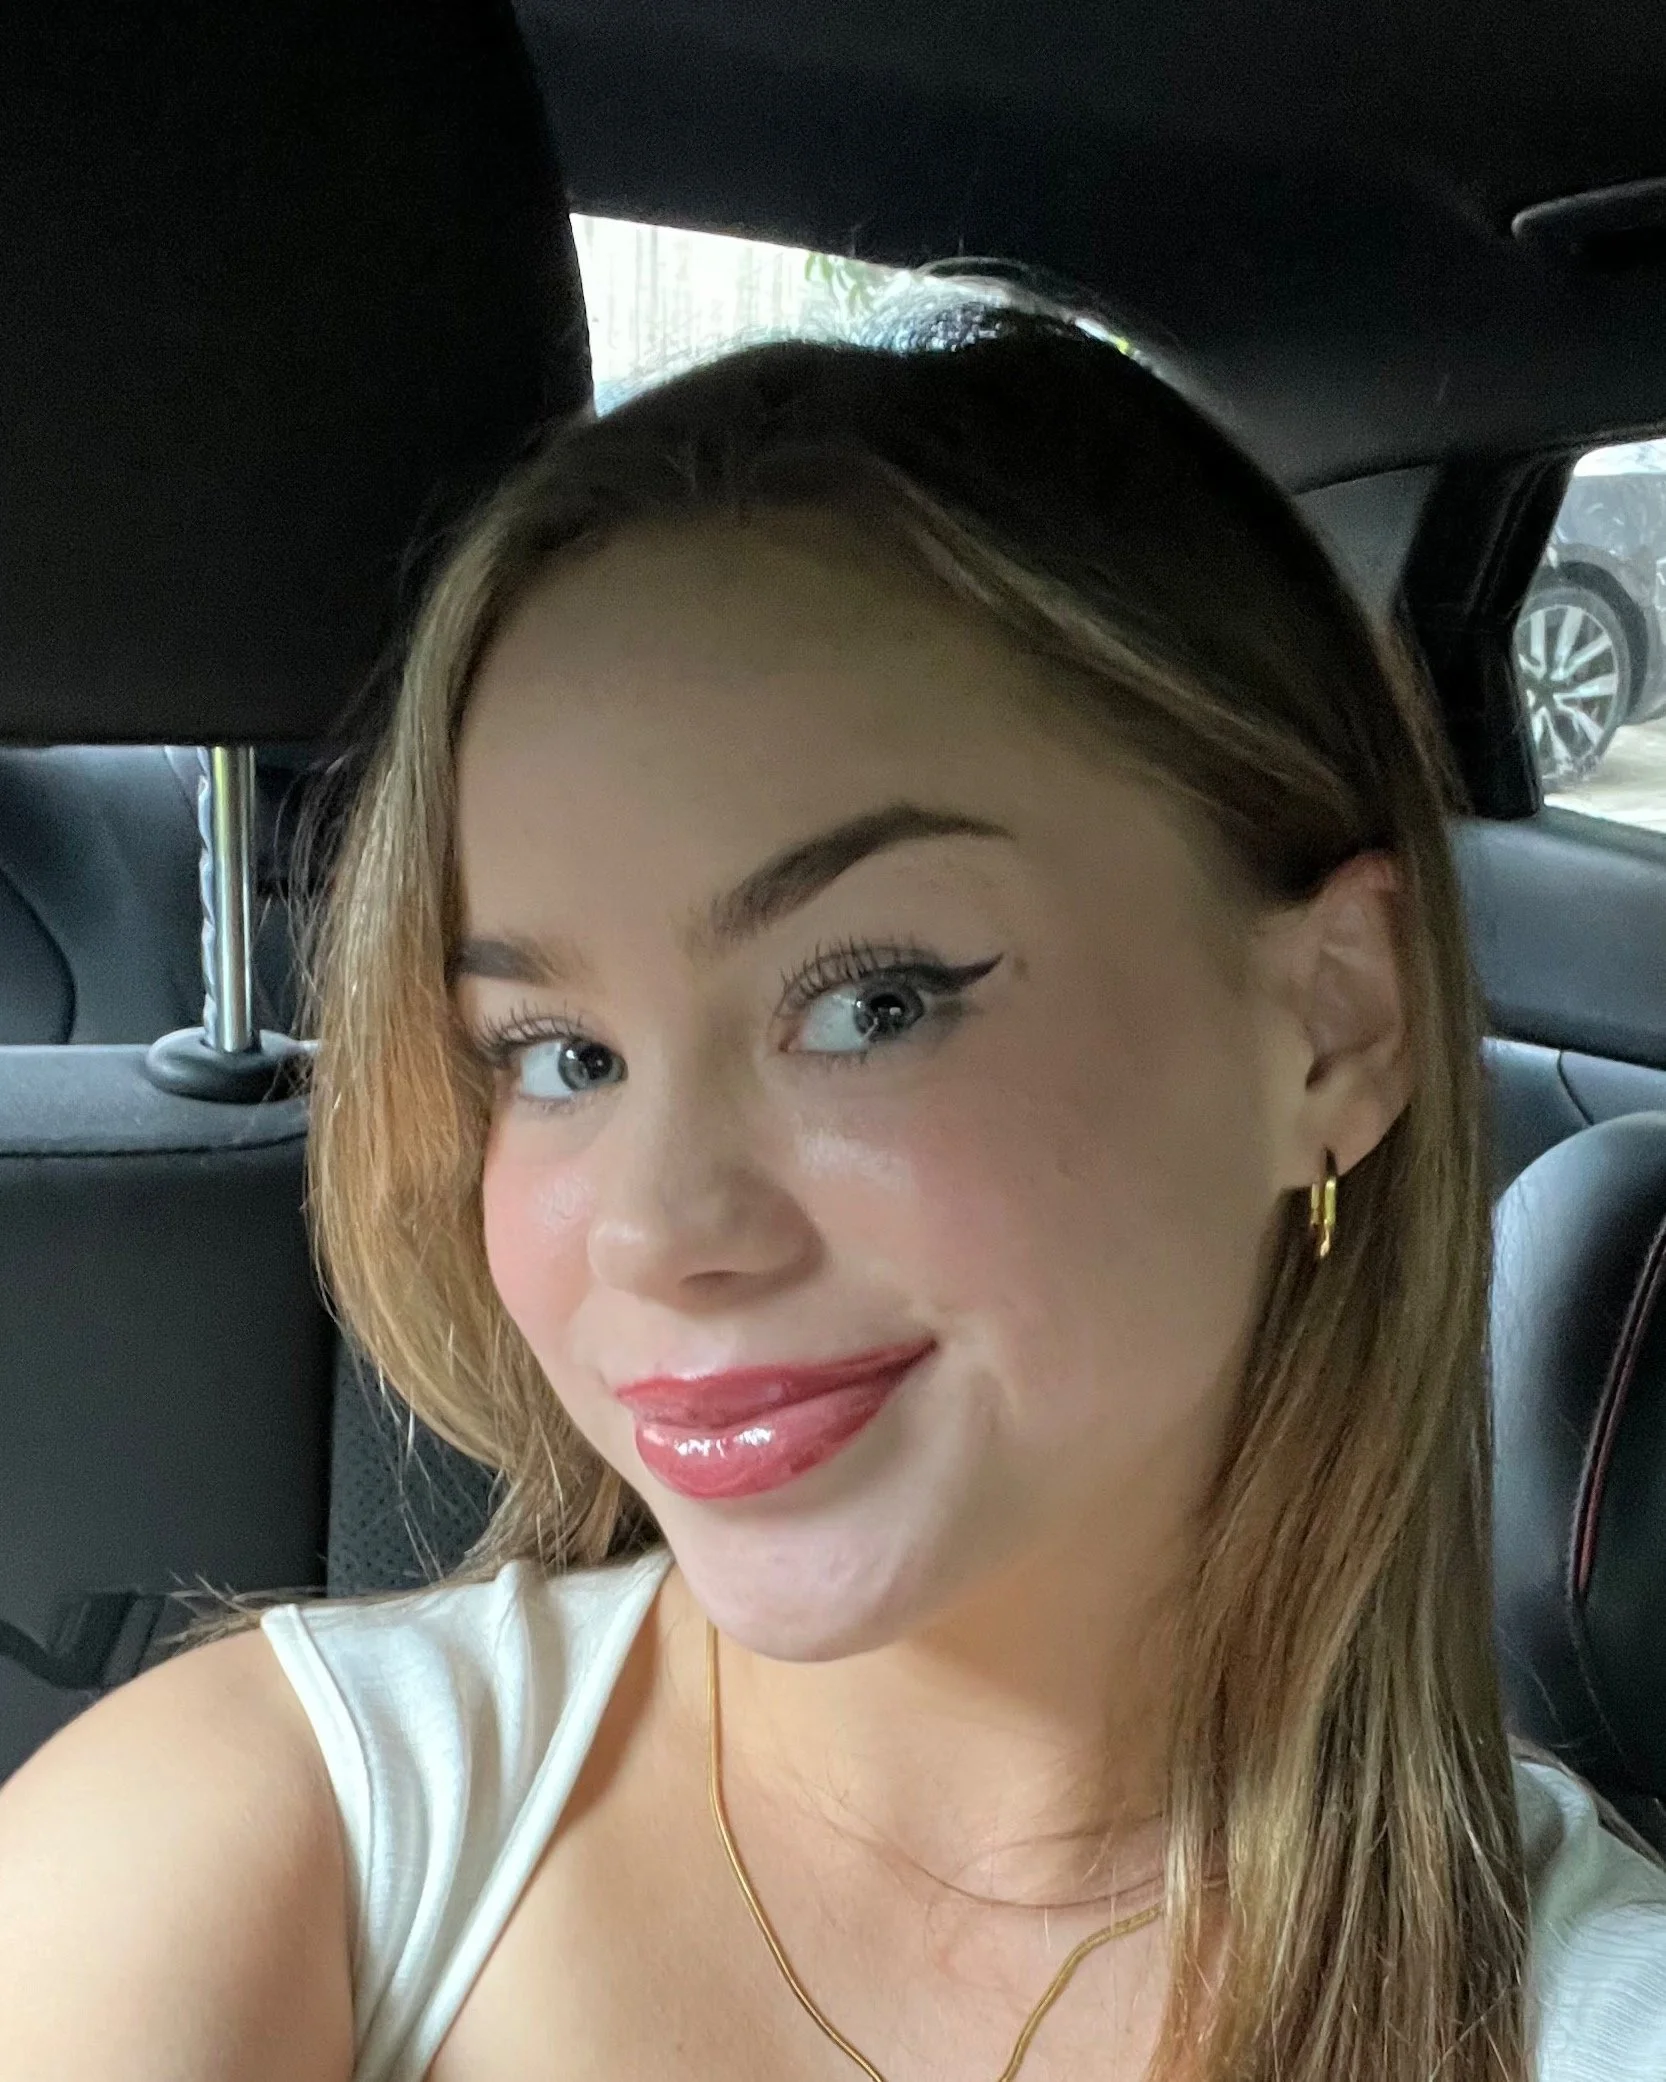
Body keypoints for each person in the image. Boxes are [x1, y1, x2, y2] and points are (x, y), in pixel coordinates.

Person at [1, 305, 1663, 2082]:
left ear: (1330, 1029)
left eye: (870, 1002)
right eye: (558, 1054)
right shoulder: (243, 1838)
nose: (653, 1230)